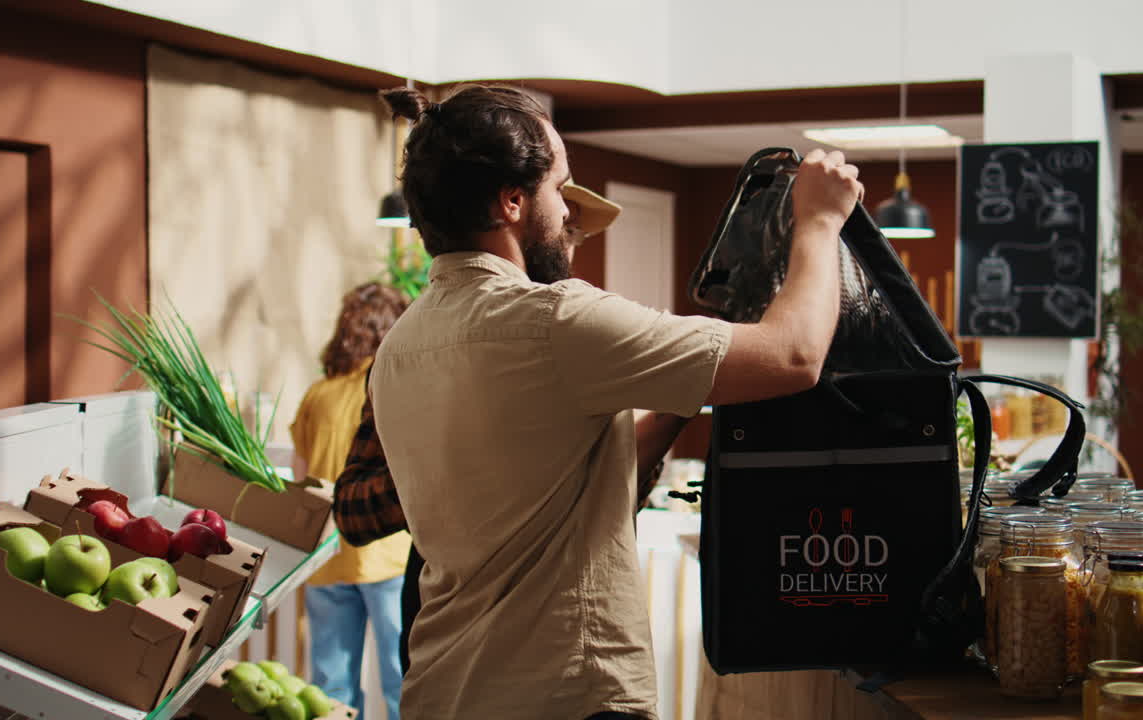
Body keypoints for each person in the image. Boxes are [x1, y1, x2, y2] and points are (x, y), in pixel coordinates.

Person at [356, 83, 860, 719]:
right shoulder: (554, 319)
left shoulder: (399, 348)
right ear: (512, 202)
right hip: (567, 694)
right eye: (559, 188)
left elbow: (578, 485)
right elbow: (794, 355)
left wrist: (683, 389)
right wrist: (818, 220)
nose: (570, 212)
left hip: (447, 689)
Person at [334, 179, 631, 678]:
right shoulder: (426, 347)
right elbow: (353, 510)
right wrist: (449, 471)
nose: (564, 240)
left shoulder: (586, 345)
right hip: (449, 619)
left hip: (556, 632)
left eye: (573, 232)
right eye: (560, 222)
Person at [289, 282, 411, 720]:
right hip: (388, 554)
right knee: (403, 682)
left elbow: (300, 482)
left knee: (330, 687)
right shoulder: (392, 384)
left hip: (327, 556)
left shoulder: (315, 396)